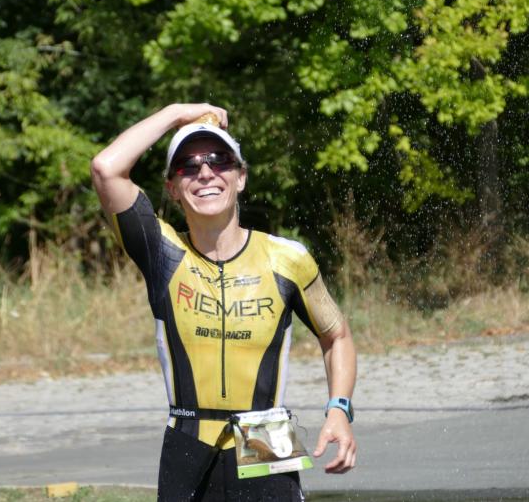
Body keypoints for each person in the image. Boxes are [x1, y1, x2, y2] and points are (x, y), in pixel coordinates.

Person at [90, 103, 357, 501]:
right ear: (172, 188)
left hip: (267, 434)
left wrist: (339, 409)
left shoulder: (287, 259)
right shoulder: (163, 252)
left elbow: (337, 336)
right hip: (188, 439)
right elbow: (106, 168)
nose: (205, 172)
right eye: (187, 166)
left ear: (241, 177)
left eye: (219, 160)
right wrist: (177, 113)